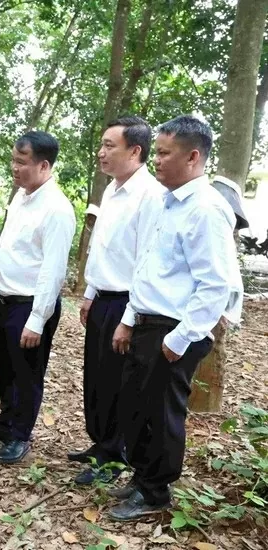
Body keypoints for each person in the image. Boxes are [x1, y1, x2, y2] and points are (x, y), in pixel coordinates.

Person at [108, 115, 238, 521]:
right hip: (149, 321)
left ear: (193, 157)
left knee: (162, 412)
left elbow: (215, 285)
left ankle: (155, 491)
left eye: (165, 153)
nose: (157, 161)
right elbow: (148, 267)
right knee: (135, 405)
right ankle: (142, 475)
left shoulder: (206, 210)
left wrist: (179, 339)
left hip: (176, 327)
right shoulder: (167, 201)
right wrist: (129, 317)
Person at [69, 117, 164, 485]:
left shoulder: (150, 196)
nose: (101, 152)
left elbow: (145, 262)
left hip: (129, 301)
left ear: (135, 151)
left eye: (110, 145)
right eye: (102, 144)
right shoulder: (111, 190)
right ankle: (100, 444)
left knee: (118, 382)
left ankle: (115, 455)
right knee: (96, 377)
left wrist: (129, 316)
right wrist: (90, 294)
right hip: (103, 298)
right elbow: (101, 249)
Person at [0, 131, 75, 464]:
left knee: (27, 373)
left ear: (44, 165)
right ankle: (6, 424)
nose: (14, 168)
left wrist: (37, 318)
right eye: (13, 160)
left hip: (31, 306)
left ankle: (21, 435)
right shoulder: (19, 198)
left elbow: (52, 270)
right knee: (5, 369)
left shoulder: (57, 209)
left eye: (21, 162)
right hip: (5, 301)